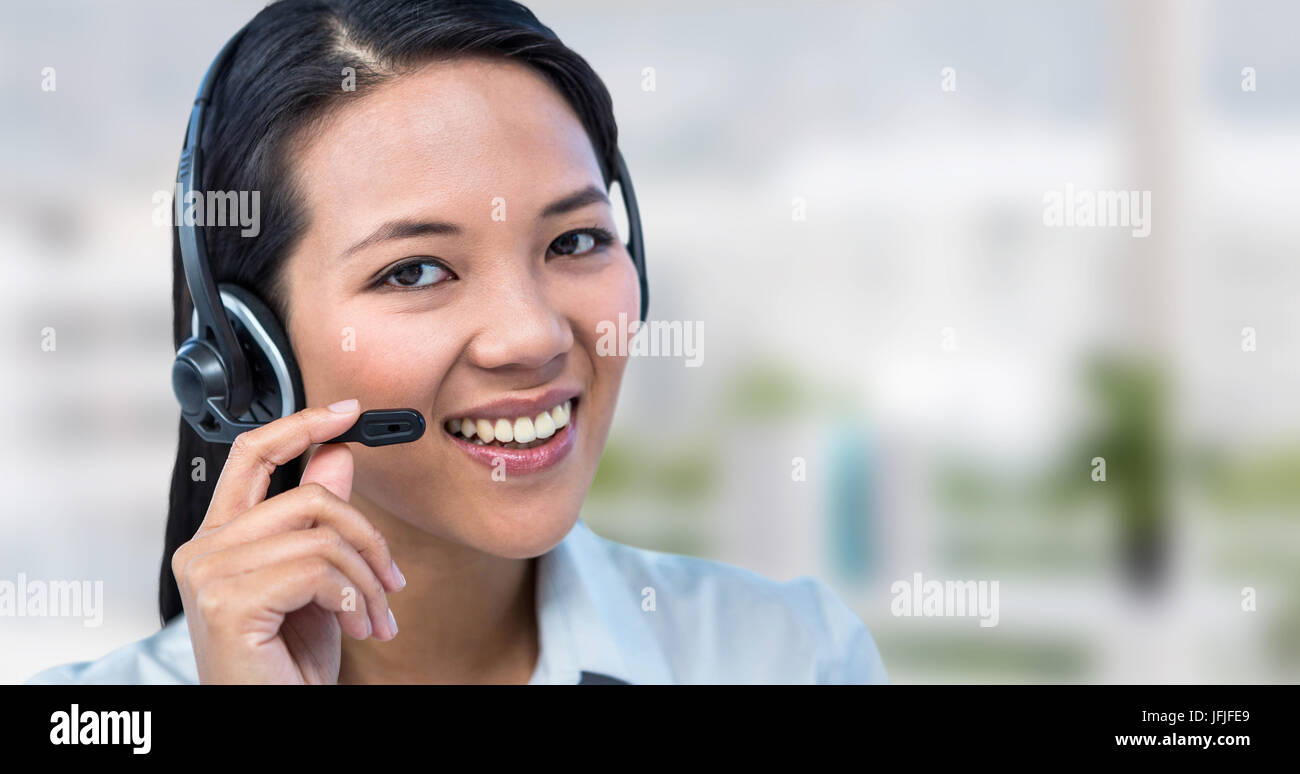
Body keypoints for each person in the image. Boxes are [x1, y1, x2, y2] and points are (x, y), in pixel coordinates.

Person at [25, 0, 888, 685]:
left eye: (576, 240)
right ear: (249, 349)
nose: (532, 337)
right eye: (415, 272)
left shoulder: (789, 657)